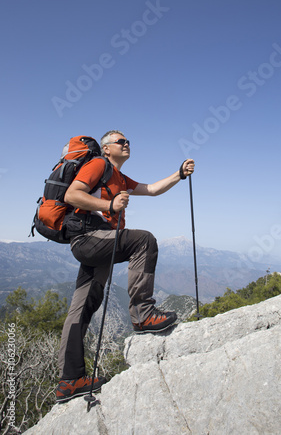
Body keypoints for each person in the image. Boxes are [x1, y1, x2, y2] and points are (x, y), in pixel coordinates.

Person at [56, 130, 195, 403]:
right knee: (144, 240)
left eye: (128, 140)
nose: (127, 144)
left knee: (82, 307)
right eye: (121, 141)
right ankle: (142, 313)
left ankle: (69, 381)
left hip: (97, 243)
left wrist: (178, 174)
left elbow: (152, 190)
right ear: (107, 149)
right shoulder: (98, 165)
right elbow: (73, 195)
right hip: (88, 238)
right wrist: (109, 203)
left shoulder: (119, 176)